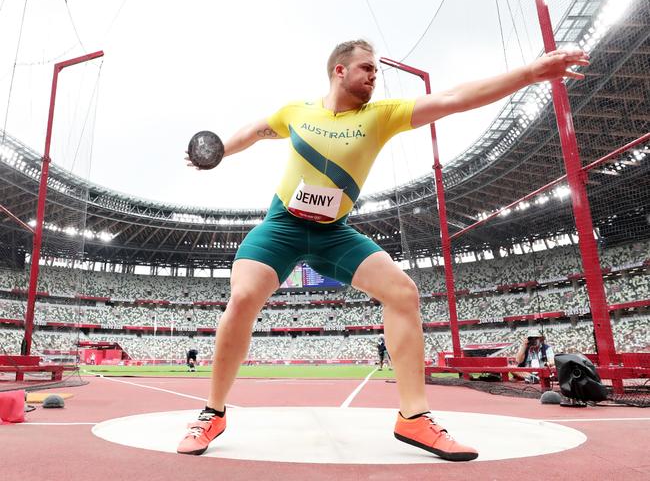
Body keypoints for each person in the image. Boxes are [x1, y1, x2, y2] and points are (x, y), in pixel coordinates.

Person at [177, 39, 588, 461]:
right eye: (367, 68)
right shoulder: (296, 112)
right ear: (340, 71)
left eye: (376, 70)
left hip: (335, 232)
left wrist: (529, 74)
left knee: (403, 293)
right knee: (243, 297)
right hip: (281, 226)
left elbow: (453, 99)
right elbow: (255, 130)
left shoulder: (381, 116)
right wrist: (221, 149)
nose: (375, 76)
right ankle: (212, 412)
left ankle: (413, 418)